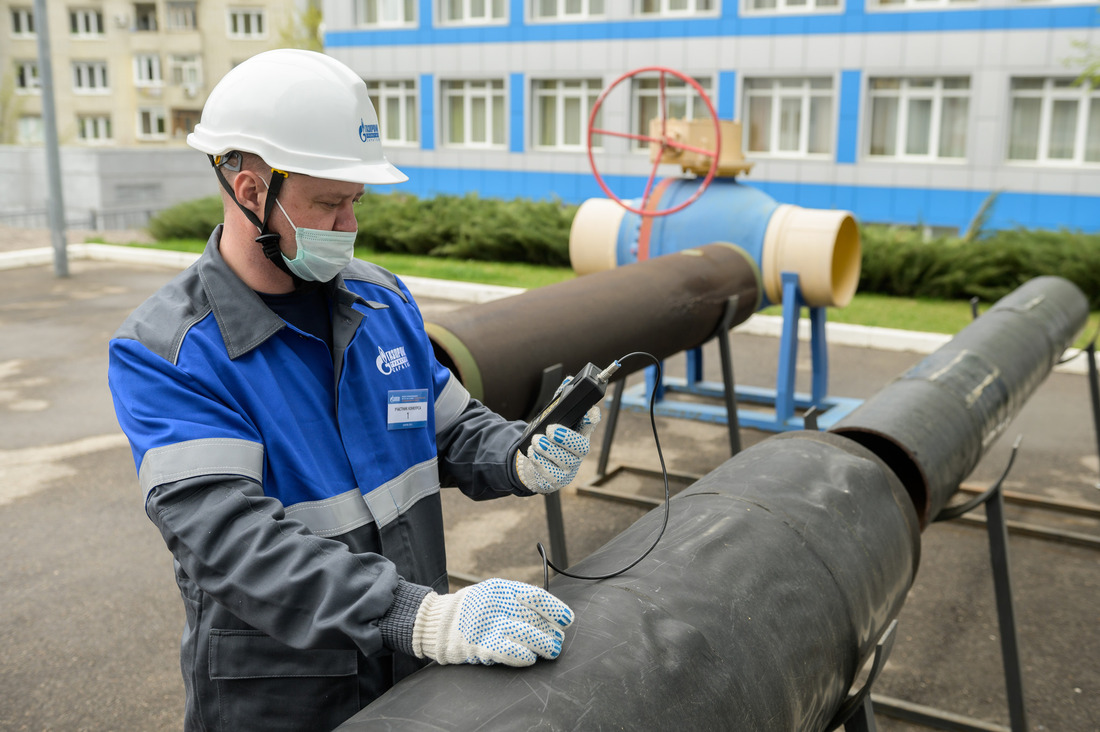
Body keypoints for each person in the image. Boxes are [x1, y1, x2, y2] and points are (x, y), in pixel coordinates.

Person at [108, 49, 599, 732]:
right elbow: (231, 540)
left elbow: (446, 423)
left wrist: (517, 454)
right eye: (329, 203)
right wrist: (418, 614)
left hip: (411, 677)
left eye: (356, 202)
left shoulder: (381, 302)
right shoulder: (169, 353)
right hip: (281, 700)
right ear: (251, 190)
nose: (348, 226)